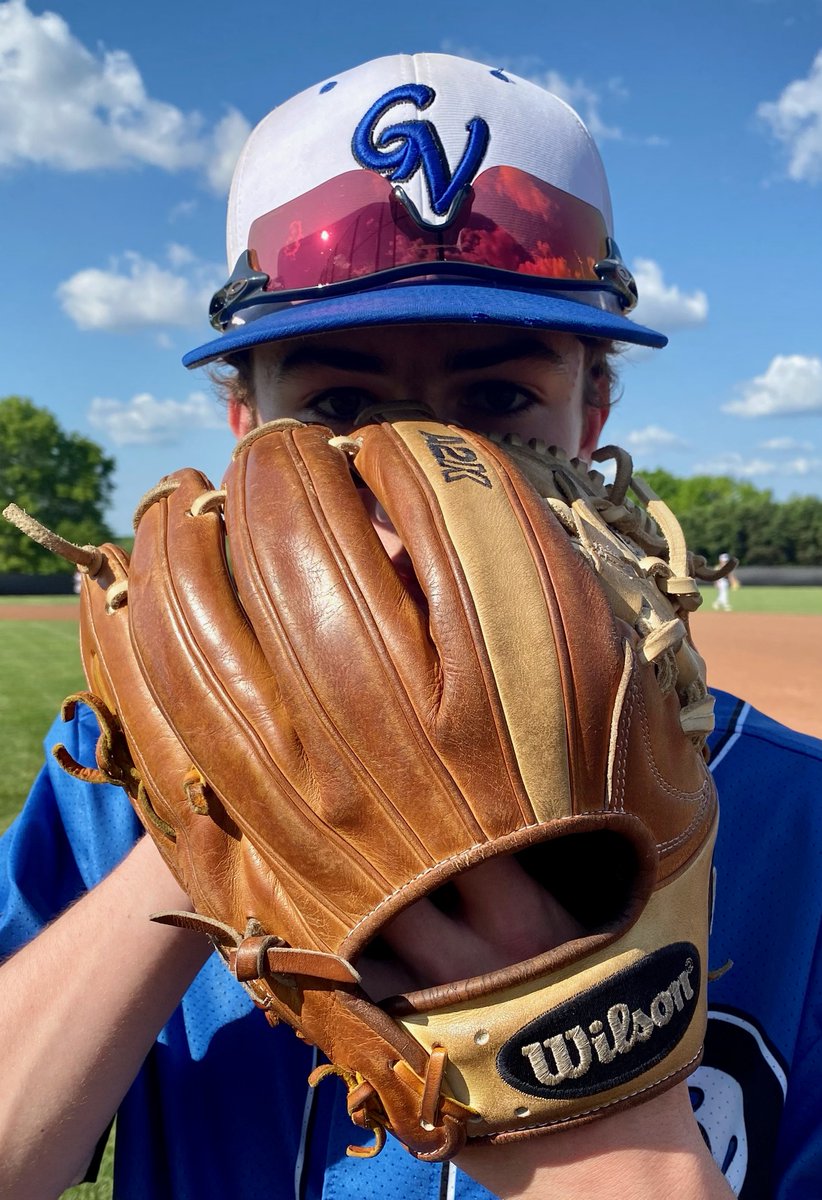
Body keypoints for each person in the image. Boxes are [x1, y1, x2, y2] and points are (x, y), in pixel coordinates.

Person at [1, 52, 820, 1200]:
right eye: (337, 405)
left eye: (496, 401)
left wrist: (599, 1126)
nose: (415, 482)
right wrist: (208, 832)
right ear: (243, 425)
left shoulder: (798, 821)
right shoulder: (109, 791)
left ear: (594, 411)